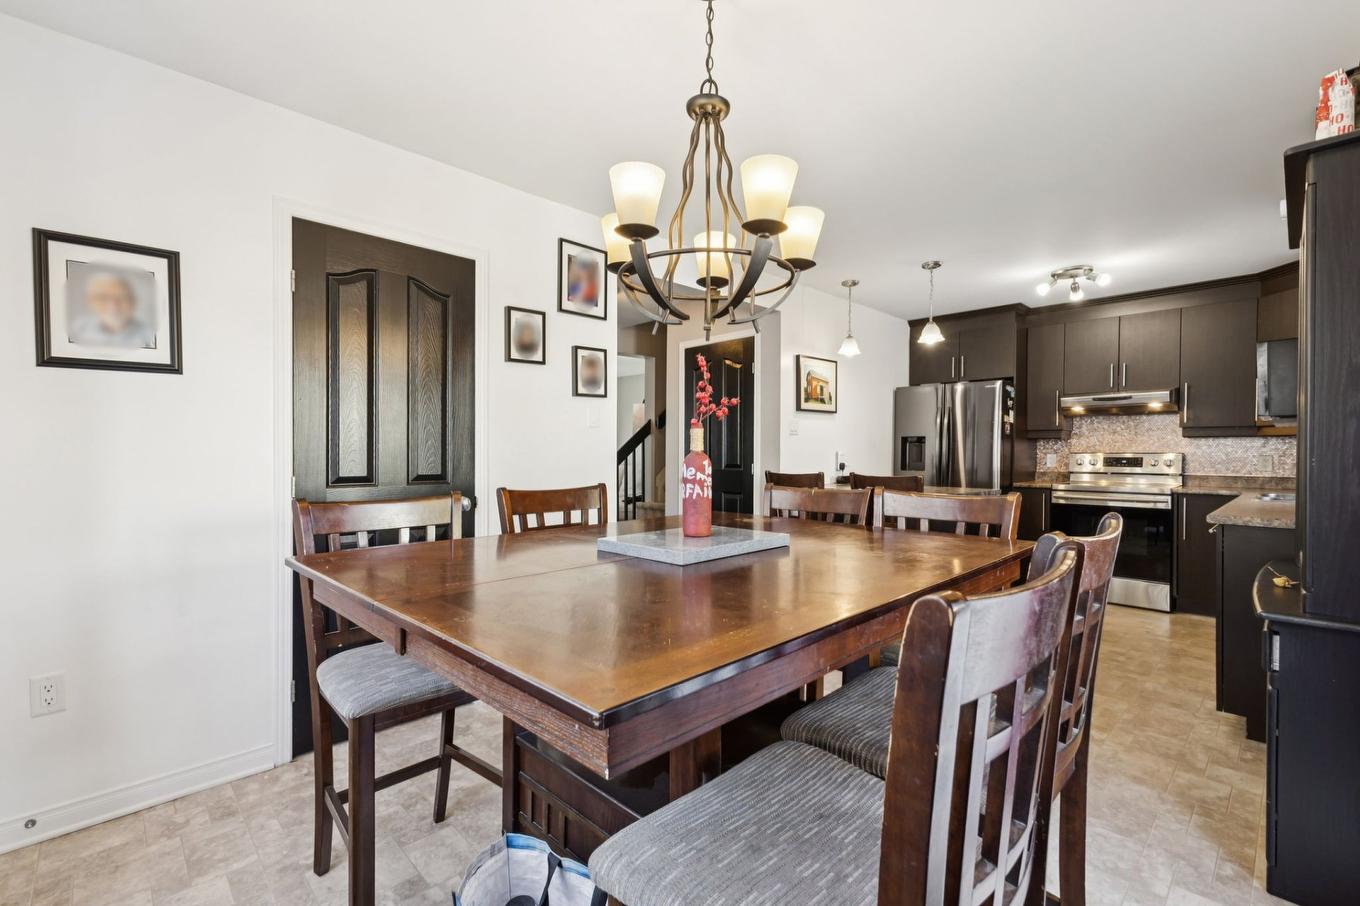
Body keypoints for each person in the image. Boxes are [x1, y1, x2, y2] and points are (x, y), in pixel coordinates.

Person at [67, 270, 156, 349]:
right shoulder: (77, 329)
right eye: (103, 297)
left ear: (133, 301)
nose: (113, 305)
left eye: (122, 297)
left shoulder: (150, 335)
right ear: (90, 301)